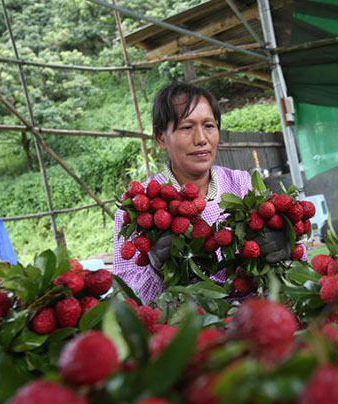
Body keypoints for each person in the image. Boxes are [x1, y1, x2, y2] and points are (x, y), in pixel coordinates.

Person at [112, 83, 289, 304]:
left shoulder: (243, 185)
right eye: (186, 127)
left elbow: (287, 274)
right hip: (185, 325)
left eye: (209, 126)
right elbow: (127, 297)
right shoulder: (140, 206)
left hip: (251, 318)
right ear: (160, 137)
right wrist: (155, 269)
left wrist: (283, 247)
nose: (201, 139)